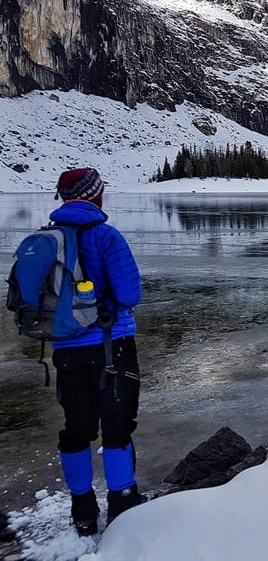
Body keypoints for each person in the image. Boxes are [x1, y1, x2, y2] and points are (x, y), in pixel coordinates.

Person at [48, 168, 145, 535]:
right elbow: (129, 294)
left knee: (76, 427)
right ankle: (122, 501)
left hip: (64, 348)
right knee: (117, 425)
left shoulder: (47, 238)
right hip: (110, 345)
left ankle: (82, 510)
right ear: (95, 195)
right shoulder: (105, 235)